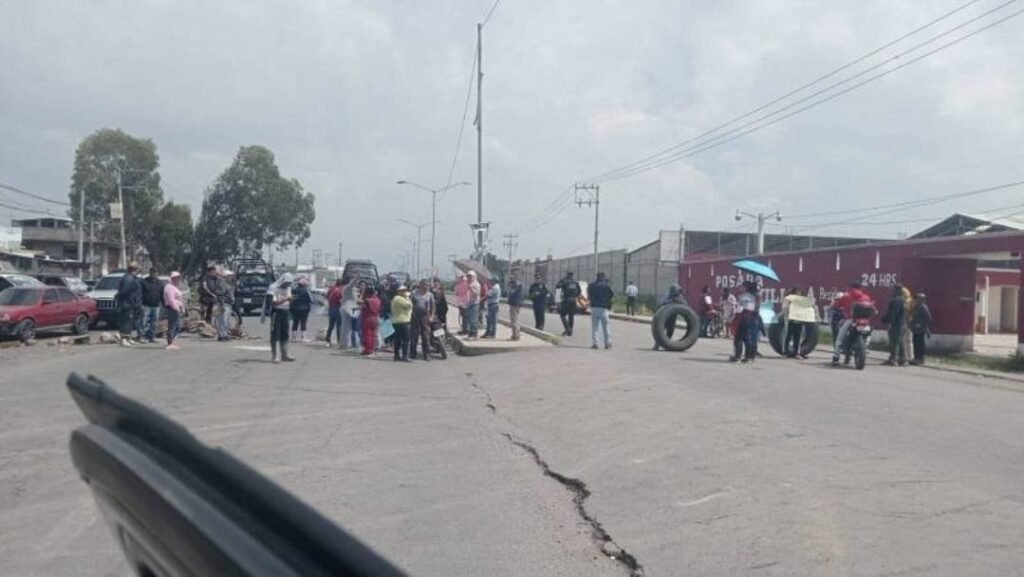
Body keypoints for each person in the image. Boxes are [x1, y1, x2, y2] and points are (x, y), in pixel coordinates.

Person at [831, 282, 874, 366]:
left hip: (850, 319)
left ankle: (836, 358)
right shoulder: (866, 297)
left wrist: (835, 305)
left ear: (851, 287)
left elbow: (837, 305)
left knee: (839, 338)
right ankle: (866, 346)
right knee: (868, 333)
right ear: (861, 288)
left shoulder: (847, 296)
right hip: (864, 321)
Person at [266, 273, 295, 363]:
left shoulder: (288, 288)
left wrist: (291, 299)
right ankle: (275, 356)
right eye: (286, 283)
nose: (287, 285)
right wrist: (286, 299)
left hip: (286, 311)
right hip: (276, 312)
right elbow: (273, 304)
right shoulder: (273, 288)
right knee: (275, 334)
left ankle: (285, 354)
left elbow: (290, 299)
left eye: (289, 284)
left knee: (285, 334)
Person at [782, 287, 816, 359]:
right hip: (790, 320)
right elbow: (784, 308)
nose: (798, 294)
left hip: (799, 320)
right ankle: (786, 352)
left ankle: (797, 353)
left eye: (800, 292)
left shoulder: (802, 300)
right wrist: (790, 308)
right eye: (797, 292)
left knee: (797, 337)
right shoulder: (788, 299)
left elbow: (808, 306)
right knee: (788, 336)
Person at [730, 281, 760, 363]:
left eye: (742, 286)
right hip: (751, 318)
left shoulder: (743, 297)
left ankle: (737, 357)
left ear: (745, 287)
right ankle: (748, 357)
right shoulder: (755, 296)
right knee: (748, 338)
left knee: (738, 338)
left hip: (743, 317)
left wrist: (734, 317)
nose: (740, 288)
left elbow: (740, 309)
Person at [653, 284, 688, 351]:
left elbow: (686, 305)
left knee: (671, 331)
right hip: (664, 317)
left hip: (673, 316)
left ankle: (667, 345)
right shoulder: (667, 295)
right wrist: (670, 301)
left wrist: (680, 302)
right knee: (661, 330)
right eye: (677, 290)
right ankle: (657, 344)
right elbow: (662, 303)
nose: (678, 292)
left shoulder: (679, 296)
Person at [115, 263, 142, 347]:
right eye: (138, 269)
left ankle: (127, 338)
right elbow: (124, 291)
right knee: (126, 321)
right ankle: (123, 339)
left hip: (131, 302)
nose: (139, 271)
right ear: (135, 269)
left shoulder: (131, 278)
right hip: (127, 303)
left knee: (130, 321)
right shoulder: (129, 278)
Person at [881, 284, 908, 366]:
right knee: (900, 342)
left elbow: (893, 314)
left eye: (893, 289)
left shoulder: (896, 300)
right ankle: (903, 359)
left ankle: (893, 359)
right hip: (903, 324)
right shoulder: (903, 300)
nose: (891, 291)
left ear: (897, 290)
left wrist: (887, 321)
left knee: (894, 342)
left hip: (896, 324)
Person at [410, 279, 436, 360]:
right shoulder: (414, 293)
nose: (427, 287)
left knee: (426, 336)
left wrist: (431, 316)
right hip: (415, 316)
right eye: (425, 285)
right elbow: (409, 304)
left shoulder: (430, 295)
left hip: (425, 316)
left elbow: (433, 306)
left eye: (427, 285)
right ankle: (412, 353)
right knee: (414, 335)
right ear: (421, 285)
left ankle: (427, 354)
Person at [588, 272, 614, 350]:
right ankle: (607, 343)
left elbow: (589, 294)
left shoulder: (591, 285)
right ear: (603, 277)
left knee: (595, 327)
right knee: (606, 326)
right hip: (603, 308)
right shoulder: (606, 286)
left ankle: (595, 344)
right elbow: (611, 295)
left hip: (594, 307)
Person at [140, 268, 164, 344]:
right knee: (144, 321)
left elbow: (162, 294)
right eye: (152, 272)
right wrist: (140, 304)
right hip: (146, 305)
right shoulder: (144, 282)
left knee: (154, 322)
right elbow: (140, 294)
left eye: (155, 273)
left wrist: (163, 304)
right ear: (150, 273)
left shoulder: (160, 283)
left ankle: (152, 337)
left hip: (156, 305)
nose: (154, 274)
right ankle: (142, 336)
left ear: (157, 273)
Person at [390, 285, 413, 362]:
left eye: (405, 290)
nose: (405, 292)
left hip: (397, 321)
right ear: (399, 291)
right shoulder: (399, 299)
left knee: (398, 339)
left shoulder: (397, 298)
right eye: (403, 290)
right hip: (403, 321)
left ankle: (397, 355)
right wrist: (408, 297)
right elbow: (409, 305)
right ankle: (405, 356)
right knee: (406, 339)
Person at [163, 272, 185, 350]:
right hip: (172, 308)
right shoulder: (169, 287)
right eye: (176, 278)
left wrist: (182, 308)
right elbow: (171, 299)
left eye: (179, 278)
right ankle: (170, 343)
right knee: (172, 325)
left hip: (177, 308)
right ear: (172, 279)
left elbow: (179, 299)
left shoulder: (174, 287)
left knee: (178, 325)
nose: (178, 280)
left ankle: (171, 340)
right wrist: (176, 308)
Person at [909, 292, 933, 365]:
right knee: (915, 343)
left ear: (921, 299)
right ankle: (916, 358)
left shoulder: (923, 307)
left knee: (920, 344)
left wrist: (923, 325)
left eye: (917, 298)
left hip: (920, 329)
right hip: (915, 329)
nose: (916, 300)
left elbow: (928, 318)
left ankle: (920, 359)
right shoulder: (916, 306)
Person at [289, 275, 313, 342]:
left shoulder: (294, 290)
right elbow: (311, 300)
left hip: (295, 308)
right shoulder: (306, 291)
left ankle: (294, 338)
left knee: (295, 322)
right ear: (305, 284)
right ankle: (303, 337)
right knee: (303, 322)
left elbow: (291, 298)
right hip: (305, 308)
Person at [556, 272, 581, 336]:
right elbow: (579, 291)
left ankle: (567, 328)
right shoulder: (575, 282)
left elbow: (558, 289)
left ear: (566, 275)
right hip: (573, 300)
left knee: (562, 315)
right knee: (571, 316)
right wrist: (575, 296)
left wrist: (558, 302)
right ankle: (570, 332)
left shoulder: (563, 281)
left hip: (566, 300)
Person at [360, 285, 382, 357]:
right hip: (375, 318)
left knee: (367, 335)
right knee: (373, 335)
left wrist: (362, 294)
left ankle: (368, 350)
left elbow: (361, 304)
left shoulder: (368, 300)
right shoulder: (378, 300)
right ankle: (372, 349)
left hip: (368, 318)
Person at [214, 272, 235, 342]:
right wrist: (221, 304)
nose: (231, 277)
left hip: (228, 304)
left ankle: (225, 334)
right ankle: (221, 335)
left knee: (226, 321)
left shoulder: (228, 284)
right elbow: (220, 295)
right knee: (222, 321)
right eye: (230, 276)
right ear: (226, 276)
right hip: (224, 304)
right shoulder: (222, 284)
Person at [326, 279, 344, 347]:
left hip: (331, 308)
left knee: (331, 325)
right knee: (339, 325)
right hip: (338, 308)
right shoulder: (341, 290)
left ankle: (328, 340)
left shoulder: (331, 289)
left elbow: (327, 297)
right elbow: (341, 299)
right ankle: (339, 341)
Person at [465, 271, 481, 340]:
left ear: (474, 277)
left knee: (473, 319)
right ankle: (471, 333)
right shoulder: (469, 284)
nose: (469, 278)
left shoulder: (476, 284)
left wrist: (471, 288)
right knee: (470, 319)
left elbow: (477, 294)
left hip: (474, 304)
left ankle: (474, 334)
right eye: (468, 276)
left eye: (470, 276)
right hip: (469, 303)